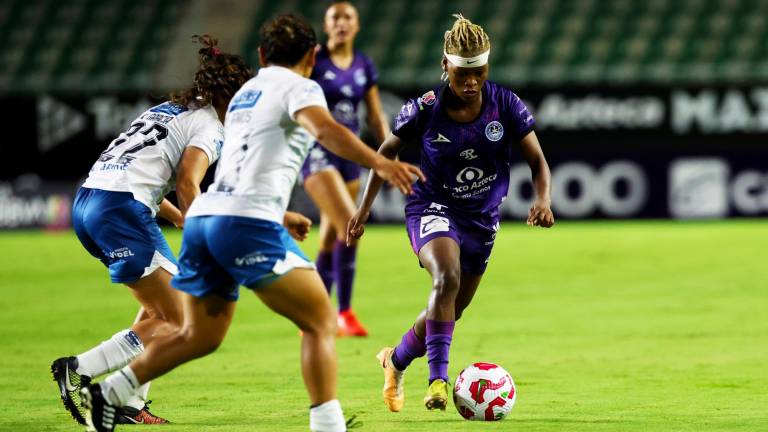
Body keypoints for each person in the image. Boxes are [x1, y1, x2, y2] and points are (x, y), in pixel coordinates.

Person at [80, 14, 424, 432]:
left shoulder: (244, 96)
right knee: (318, 321)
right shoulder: (301, 86)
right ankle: (329, 428)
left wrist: (280, 214)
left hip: (207, 220)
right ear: (312, 56)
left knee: (201, 335)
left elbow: (233, 175)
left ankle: (110, 393)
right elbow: (325, 129)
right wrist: (380, 162)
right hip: (245, 223)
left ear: (262, 55)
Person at [347, 14, 555, 412]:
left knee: (451, 307)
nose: (471, 81)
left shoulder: (505, 104)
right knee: (447, 276)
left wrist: (543, 199)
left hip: (482, 218)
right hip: (432, 206)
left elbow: (538, 161)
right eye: (462, 74)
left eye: (478, 72)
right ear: (446, 67)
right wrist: (363, 210)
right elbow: (385, 154)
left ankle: (395, 360)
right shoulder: (424, 109)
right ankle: (438, 381)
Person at [50, 35, 254, 425]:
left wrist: (178, 219)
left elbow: (140, 172)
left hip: (91, 201)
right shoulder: (211, 126)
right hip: (120, 211)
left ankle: (130, 401)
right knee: (180, 320)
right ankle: (80, 370)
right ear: (232, 96)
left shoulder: (168, 109)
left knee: (156, 307)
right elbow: (187, 182)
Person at [300, 1, 389, 336]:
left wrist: (386, 152)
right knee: (349, 226)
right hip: (317, 152)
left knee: (330, 238)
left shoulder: (364, 64)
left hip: (350, 155)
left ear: (357, 25)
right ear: (326, 25)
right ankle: (344, 313)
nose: (341, 23)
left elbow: (375, 113)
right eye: (334, 18)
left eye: (347, 17)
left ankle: (314, 311)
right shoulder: (313, 59)